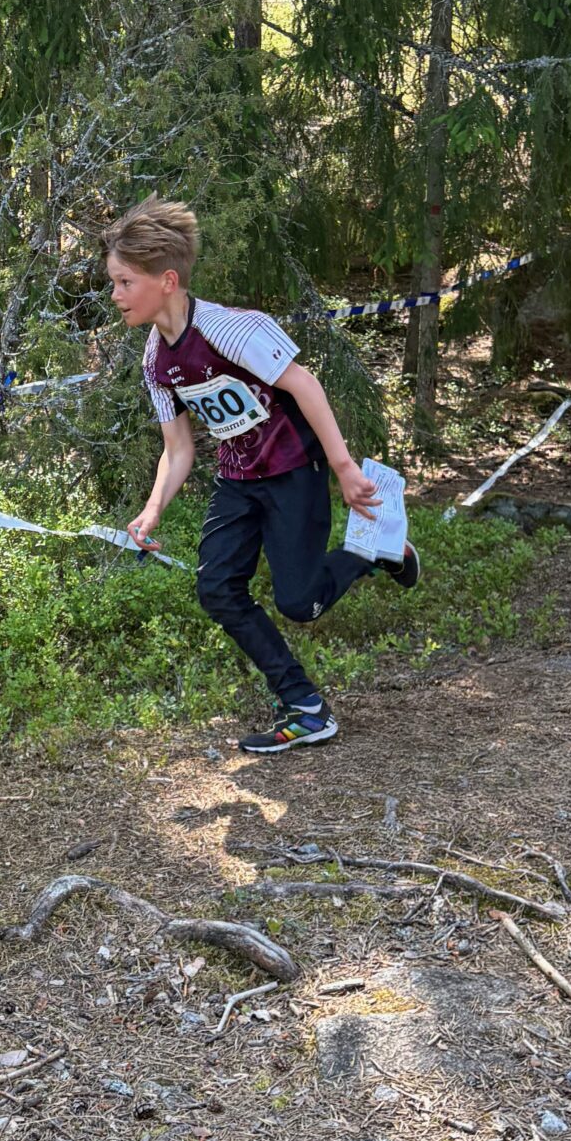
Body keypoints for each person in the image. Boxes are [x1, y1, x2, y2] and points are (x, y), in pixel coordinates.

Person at [105, 196, 419, 753]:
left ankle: (375, 551)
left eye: (125, 282)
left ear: (168, 281)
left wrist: (344, 468)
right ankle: (305, 707)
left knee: (300, 603)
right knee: (217, 589)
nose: (116, 295)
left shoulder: (227, 329)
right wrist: (152, 510)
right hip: (238, 479)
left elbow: (304, 384)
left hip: (295, 470)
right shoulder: (156, 360)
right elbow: (178, 448)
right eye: (115, 283)